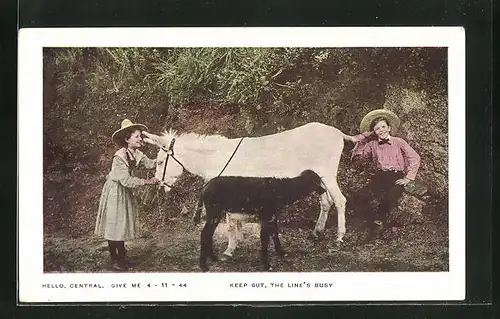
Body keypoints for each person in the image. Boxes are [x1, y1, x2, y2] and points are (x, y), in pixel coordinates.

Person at [342, 109, 421, 239]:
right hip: (380, 177)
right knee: (359, 196)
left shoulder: (399, 141)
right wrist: (364, 138)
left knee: (389, 197)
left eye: (383, 127)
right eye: (377, 128)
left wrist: (408, 177)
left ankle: (377, 224)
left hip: (396, 176)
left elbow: (415, 157)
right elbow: (357, 156)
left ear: (389, 128)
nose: (381, 130)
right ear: (374, 131)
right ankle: (371, 221)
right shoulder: (372, 144)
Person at [94, 119, 159, 270]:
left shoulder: (137, 154)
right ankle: (115, 259)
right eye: (136, 137)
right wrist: (147, 181)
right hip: (115, 190)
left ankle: (122, 257)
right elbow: (125, 180)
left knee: (121, 223)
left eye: (140, 137)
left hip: (124, 191)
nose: (140, 139)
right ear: (127, 139)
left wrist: (163, 155)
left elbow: (151, 164)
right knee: (114, 224)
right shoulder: (120, 156)